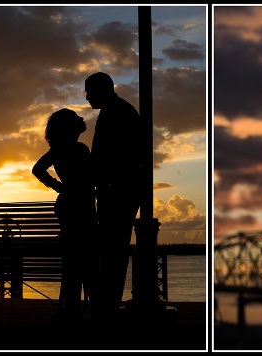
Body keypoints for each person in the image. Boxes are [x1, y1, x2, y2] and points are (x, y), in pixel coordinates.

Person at [85, 71, 144, 319]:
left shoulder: (117, 112)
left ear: (103, 90)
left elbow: (112, 156)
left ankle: (107, 307)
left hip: (118, 191)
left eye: (90, 92)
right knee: (113, 249)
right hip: (118, 190)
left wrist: (100, 181)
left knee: (113, 249)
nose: (87, 98)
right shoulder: (116, 110)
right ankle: (107, 304)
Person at [32, 108, 99, 326]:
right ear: (70, 127)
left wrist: (60, 187)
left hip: (68, 205)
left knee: (73, 261)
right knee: (87, 262)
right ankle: (94, 312)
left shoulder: (58, 149)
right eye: (76, 119)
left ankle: (71, 311)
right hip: (80, 207)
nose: (82, 120)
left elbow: (37, 169)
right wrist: (62, 187)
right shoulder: (79, 149)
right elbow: (90, 179)